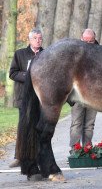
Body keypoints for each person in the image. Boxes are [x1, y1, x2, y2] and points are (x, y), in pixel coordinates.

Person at [9, 28, 43, 168]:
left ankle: (40, 156)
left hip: (41, 98)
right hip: (24, 97)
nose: (38, 40)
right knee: (24, 127)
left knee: (40, 128)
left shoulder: (47, 54)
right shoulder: (20, 54)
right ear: (29, 40)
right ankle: (19, 157)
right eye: (35, 38)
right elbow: (13, 73)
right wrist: (28, 76)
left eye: (40, 38)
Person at [69, 28, 98, 150]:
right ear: (81, 39)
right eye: (85, 40)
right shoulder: (73, 52)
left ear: (94, 40)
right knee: (77, 123)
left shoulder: (100, 53)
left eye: (90, 41)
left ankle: (87, 148)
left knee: (89, 124)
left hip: (93, 94)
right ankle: (75, 150)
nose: (87, 44)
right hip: (77, 95)